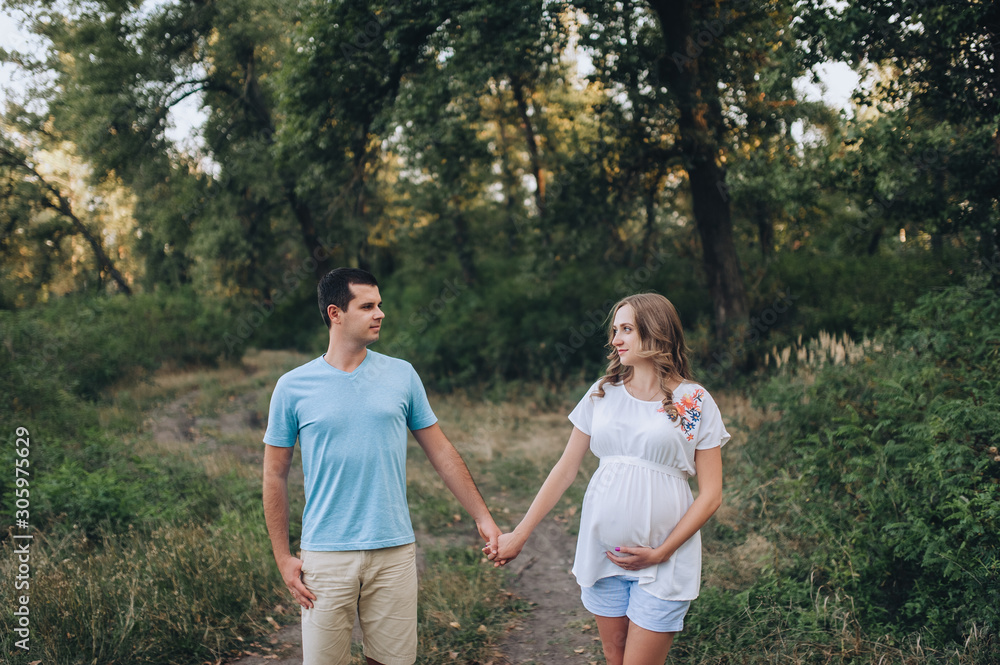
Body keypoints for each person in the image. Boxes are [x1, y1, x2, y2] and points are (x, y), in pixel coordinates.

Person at [263, 267, 502, 665]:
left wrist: (483, 516)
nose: (380, 314)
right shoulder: (293, 386)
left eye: (380, 305)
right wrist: (282, 556)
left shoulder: (401, 375)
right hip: (325, 554)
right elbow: (274, 473)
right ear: (335, 313)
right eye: (368, 306)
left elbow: (441, 451)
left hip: (393, 550)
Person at [489, 293, 729, 665]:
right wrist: (519, 535)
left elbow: (711, 494)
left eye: (627, 329)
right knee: (613, 656)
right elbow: (565, 469)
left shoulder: (694, 401)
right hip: (603, 555)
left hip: (664, 560)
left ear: (657, 333)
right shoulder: (602, 392)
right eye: (615, 330)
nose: (616, 339)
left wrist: (661, 552)